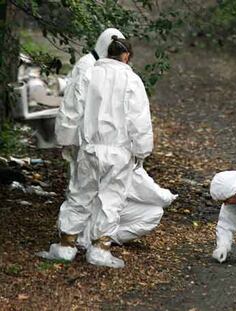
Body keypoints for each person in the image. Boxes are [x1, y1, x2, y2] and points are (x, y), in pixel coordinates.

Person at [39, 36, 153, 268]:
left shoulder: (88, 74)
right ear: (126, 56)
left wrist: (67, 141)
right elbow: (139, 119)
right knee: (111, 199)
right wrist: (142, 151)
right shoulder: (132, 80)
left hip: (90, 148)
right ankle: (100, 249)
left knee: (80, 194)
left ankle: (66, 246)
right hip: (119, 151)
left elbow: (71, 110)